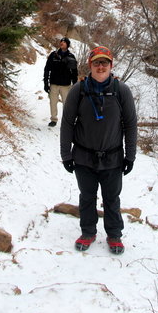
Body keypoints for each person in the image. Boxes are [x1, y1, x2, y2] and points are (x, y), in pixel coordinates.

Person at [60, 45, 137, 254]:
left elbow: (130, 124)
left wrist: (130, 156)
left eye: (104, 63)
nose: (100, 67)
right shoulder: (79, 90)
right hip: (84, 157)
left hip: (112, 158)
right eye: (96, 63)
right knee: (87, 196)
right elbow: (67, 123)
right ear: (90, 65)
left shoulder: (122, 91)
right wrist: (66, 154)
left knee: (112, 198)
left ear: (111, 65)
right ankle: (88, 232)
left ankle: (114, 235)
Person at [44, 37, 78, 127]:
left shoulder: (71, 56)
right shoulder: (53, 55)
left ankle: (67, 121)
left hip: (66, 85)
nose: (62, 43)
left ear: (67, 44)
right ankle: (53, 119)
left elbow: (74, 72)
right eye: (61, 41)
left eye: (64, 42)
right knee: (53, 102)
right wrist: (46, 83)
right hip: (54, 83)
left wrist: (75, 84)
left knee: (67, 104)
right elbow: (47, 69)